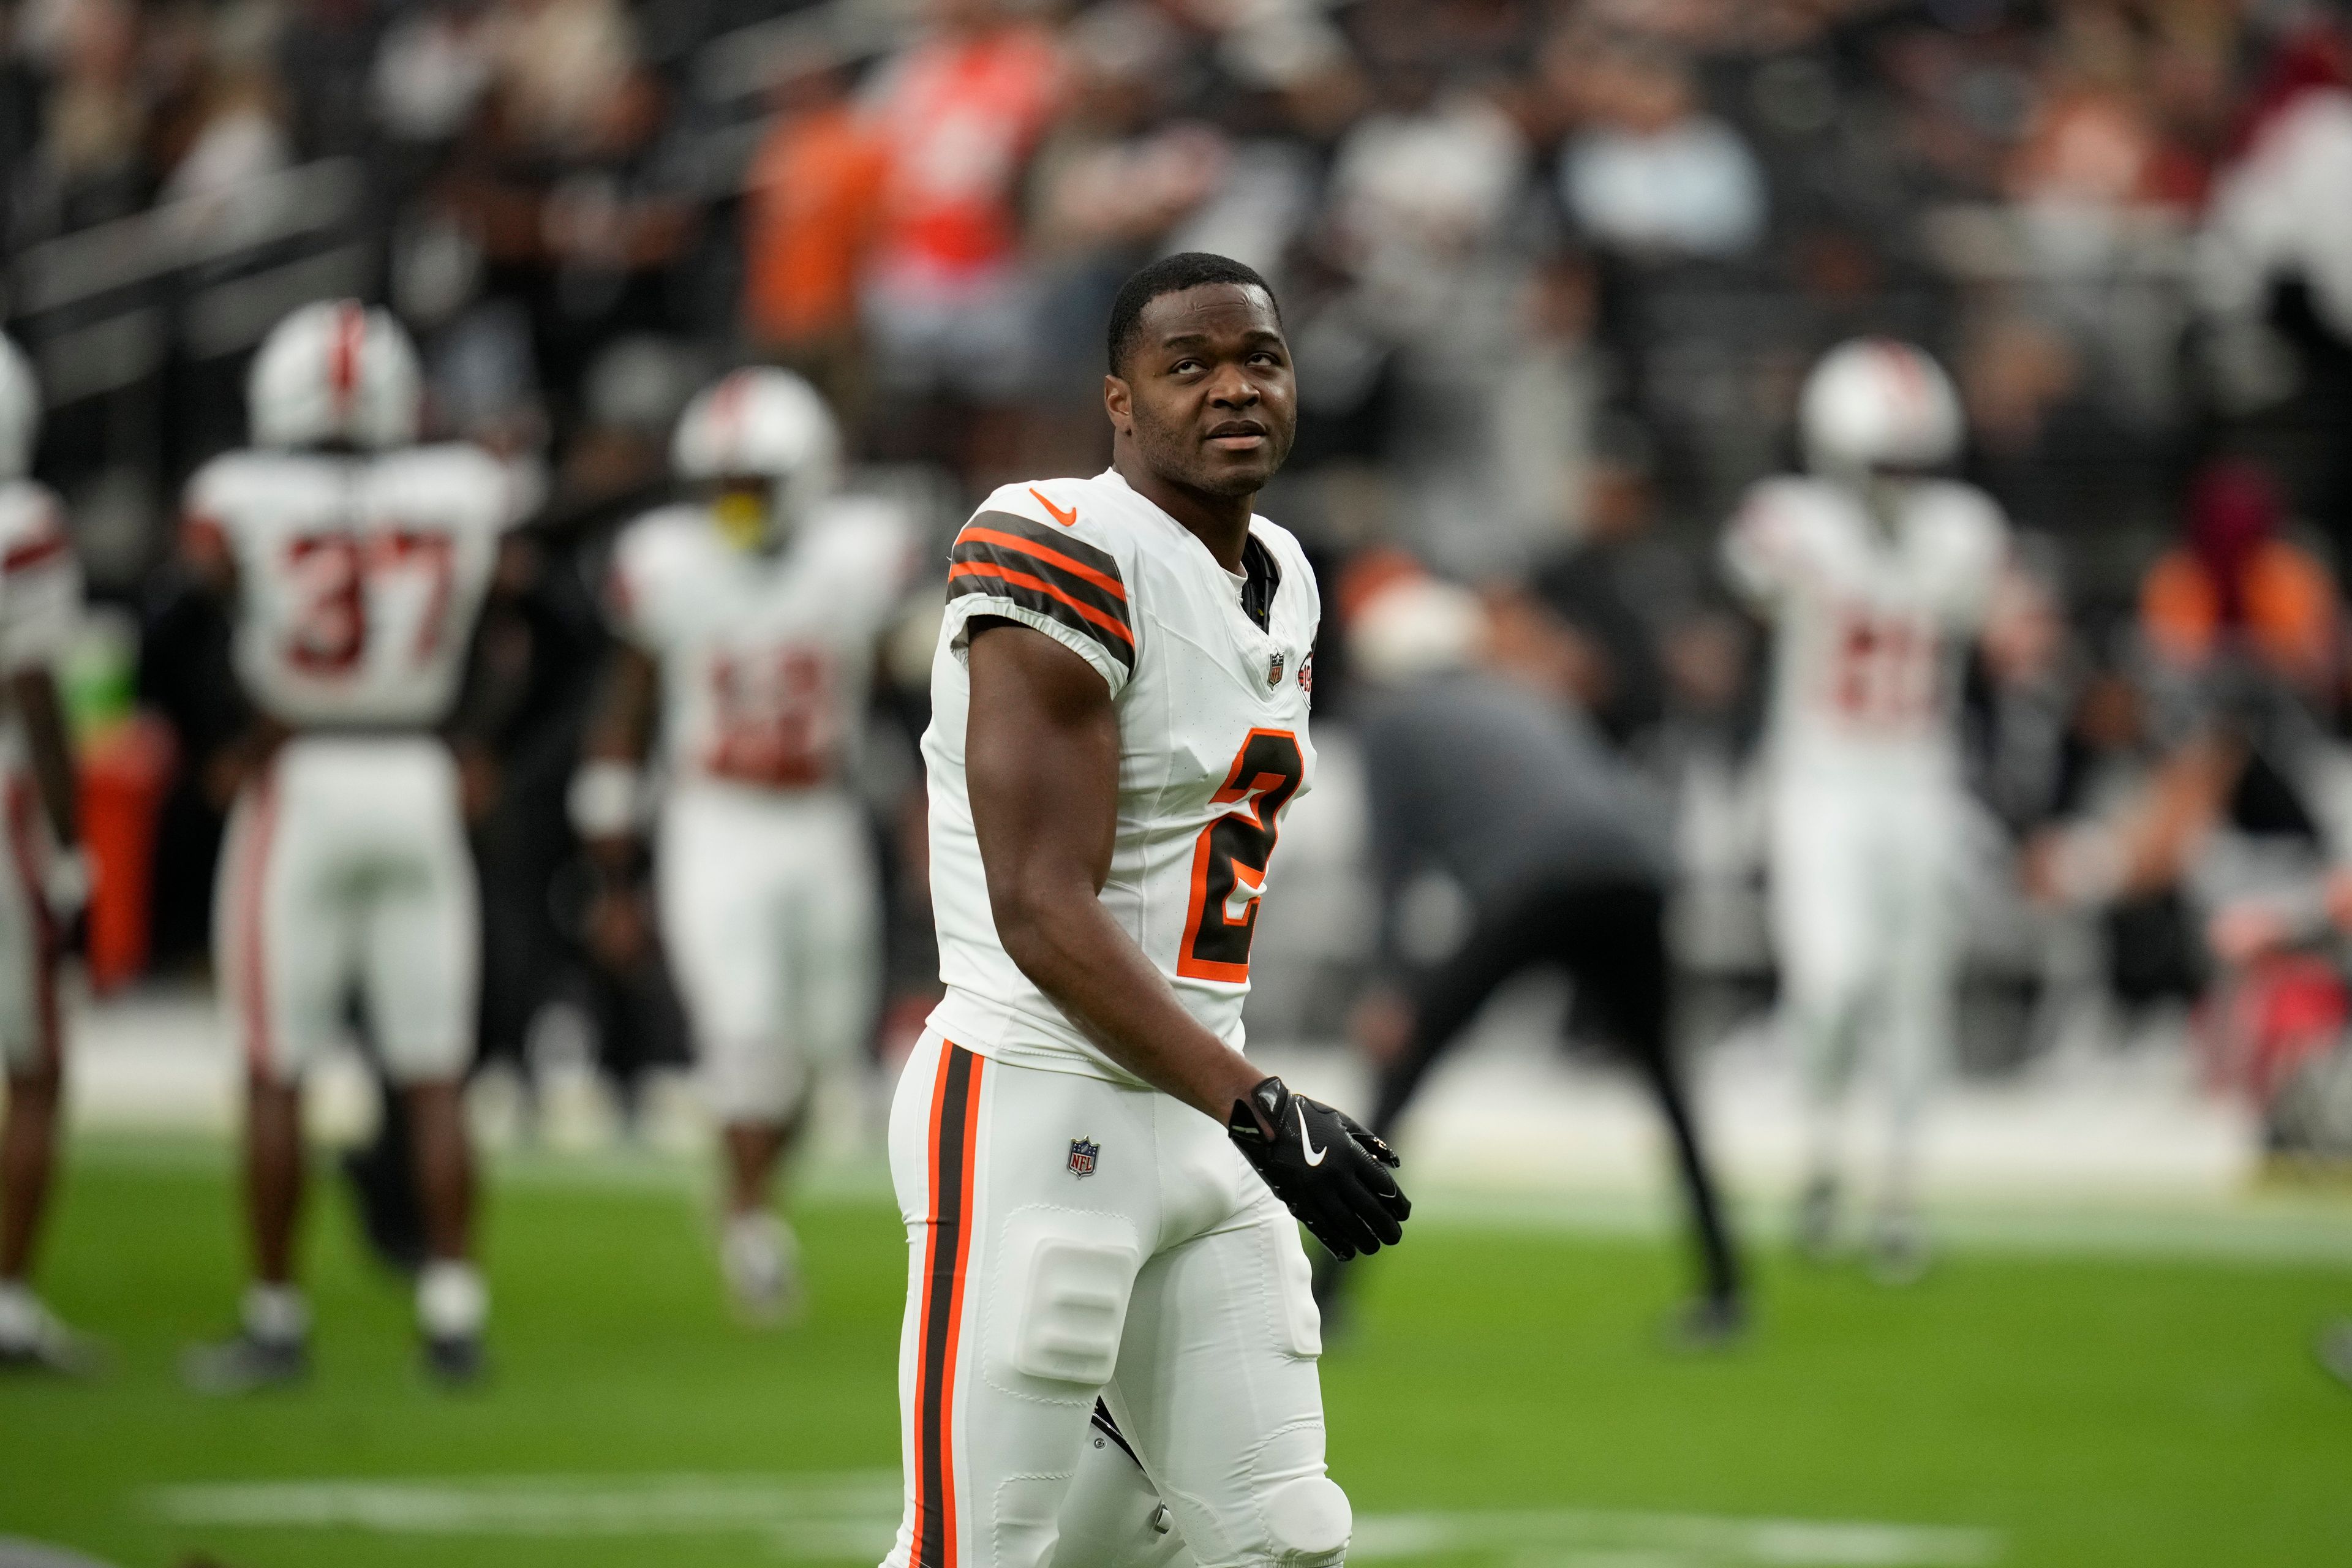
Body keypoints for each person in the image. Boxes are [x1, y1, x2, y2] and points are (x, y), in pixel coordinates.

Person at [881, 252, 1408, 1568]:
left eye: (1261, 359)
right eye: (1191, 366)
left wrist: (1237, 1105)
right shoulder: (1057, 541)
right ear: (1121, 400)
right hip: (1035, 1100)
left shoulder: (1282, 571)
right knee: (976, 1548)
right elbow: (1041, 907)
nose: (1235, 388)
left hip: (1201, 1113)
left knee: (1278, 1534)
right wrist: (1258, 1101)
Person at [179, 301, 518, 1390]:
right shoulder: (461, 489)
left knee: (278, 1066)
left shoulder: (236, 495)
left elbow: (196, 613)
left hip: (306, 773)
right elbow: (505, 620)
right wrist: (473, 736)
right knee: (434, 1072)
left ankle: (276, 1319)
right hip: (417, 767)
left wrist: (247, 725)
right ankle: (454, 1312)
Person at [574, 367, 914, 1321]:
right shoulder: (669, 563)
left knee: (820, 1056)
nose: (735, 505)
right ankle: (752, 1228)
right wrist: (610, 872)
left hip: (823, 815)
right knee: (748, 1038)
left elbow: (902, 686)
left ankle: (745, 1195)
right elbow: (625, 710)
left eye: (754, 484)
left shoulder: (857, 555)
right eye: (723, 485)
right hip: (713, 817)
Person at [1337, 570, 1744, 1343]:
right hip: (1633, 875)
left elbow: (1394, 869)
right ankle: (1725, 1289)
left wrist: (1392, 987)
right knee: (1668, 1084)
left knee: (1403, 1076)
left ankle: (1327, 1292)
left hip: (1532, 884)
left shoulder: (1392, 719)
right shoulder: (1522, 693)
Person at [1721, 337, 2010, 1283]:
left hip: (1921, 783)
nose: (1897, 481)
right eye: (1881, 460)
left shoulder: (1965, 530)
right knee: (1834, 981)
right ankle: (1820, 1158)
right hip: (1821, 782)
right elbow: (1752, 582)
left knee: (1915, 998)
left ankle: (1897, 1192)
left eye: (1910, 462)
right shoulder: (1790, 521)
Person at [0, 334, 97, 1374]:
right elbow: (34, 692)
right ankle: (9, 1304)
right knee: (31, 1065)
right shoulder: (19, 527)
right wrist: (73, 856)